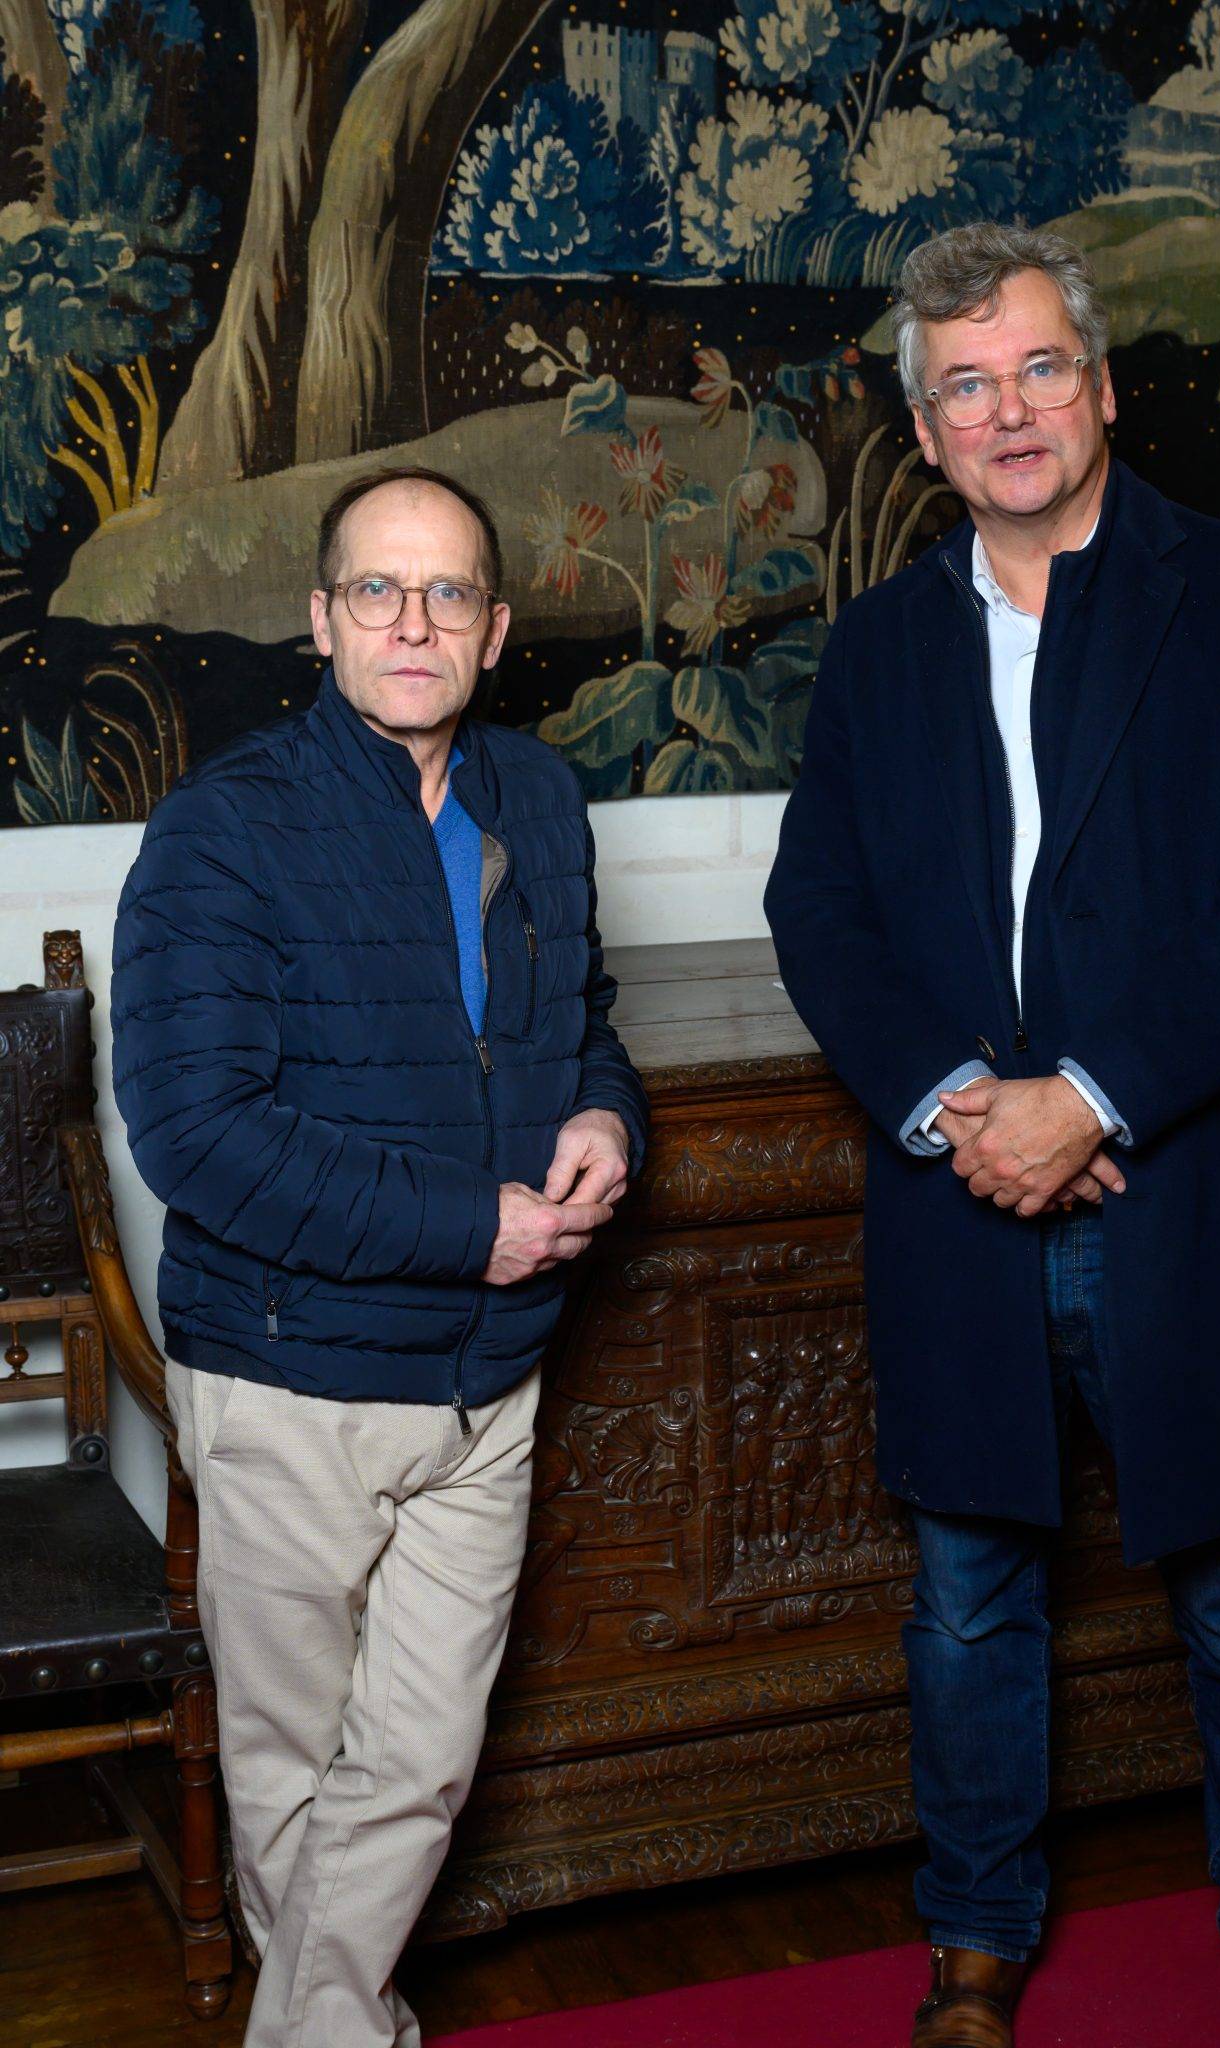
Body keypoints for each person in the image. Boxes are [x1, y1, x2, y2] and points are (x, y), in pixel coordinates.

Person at [764, 222, 1220, 2048]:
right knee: (964, 1602)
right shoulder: (878, 646)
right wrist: (962, 1109)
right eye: (965, 385)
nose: (1006, 410)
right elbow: (820, 911)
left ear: (1096, 387)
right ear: (924, 432)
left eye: (1036, 368)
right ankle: (971, 1950)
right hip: (961, 1194)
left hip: (1197, 1181)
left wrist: (1088, 1097)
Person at [111, 465, 648, 2048]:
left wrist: (606, 1119)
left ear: (495, 628)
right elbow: (197, 1136)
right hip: (293, 1379)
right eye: (376, 591)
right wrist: (471, 1226)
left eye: (448, 593)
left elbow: (586, 1023)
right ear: (321, 619)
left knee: (416, 1766)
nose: (413, 622)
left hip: (491, 1379)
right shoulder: (221, 832)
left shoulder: (537, 797)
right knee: (292, 1779)